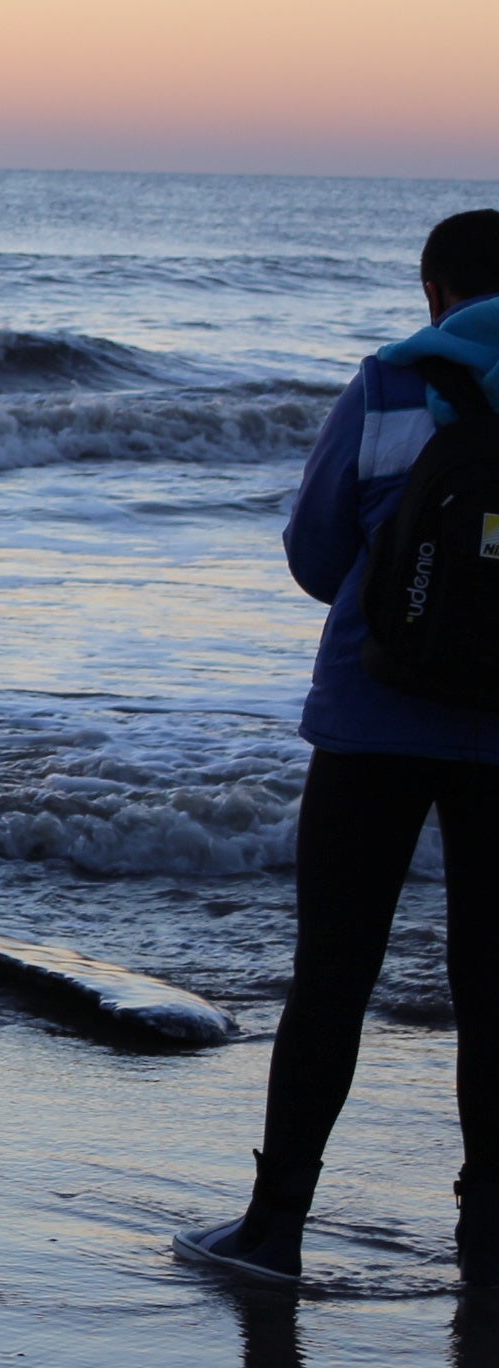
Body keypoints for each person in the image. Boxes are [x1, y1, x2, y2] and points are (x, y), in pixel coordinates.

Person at [182, 208, 499, 1286]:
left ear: (434, 293)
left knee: (333, 978)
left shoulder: (393, 385)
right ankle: (488, 1242)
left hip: (375, 717)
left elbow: (318, 558)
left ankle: (274, 1230)